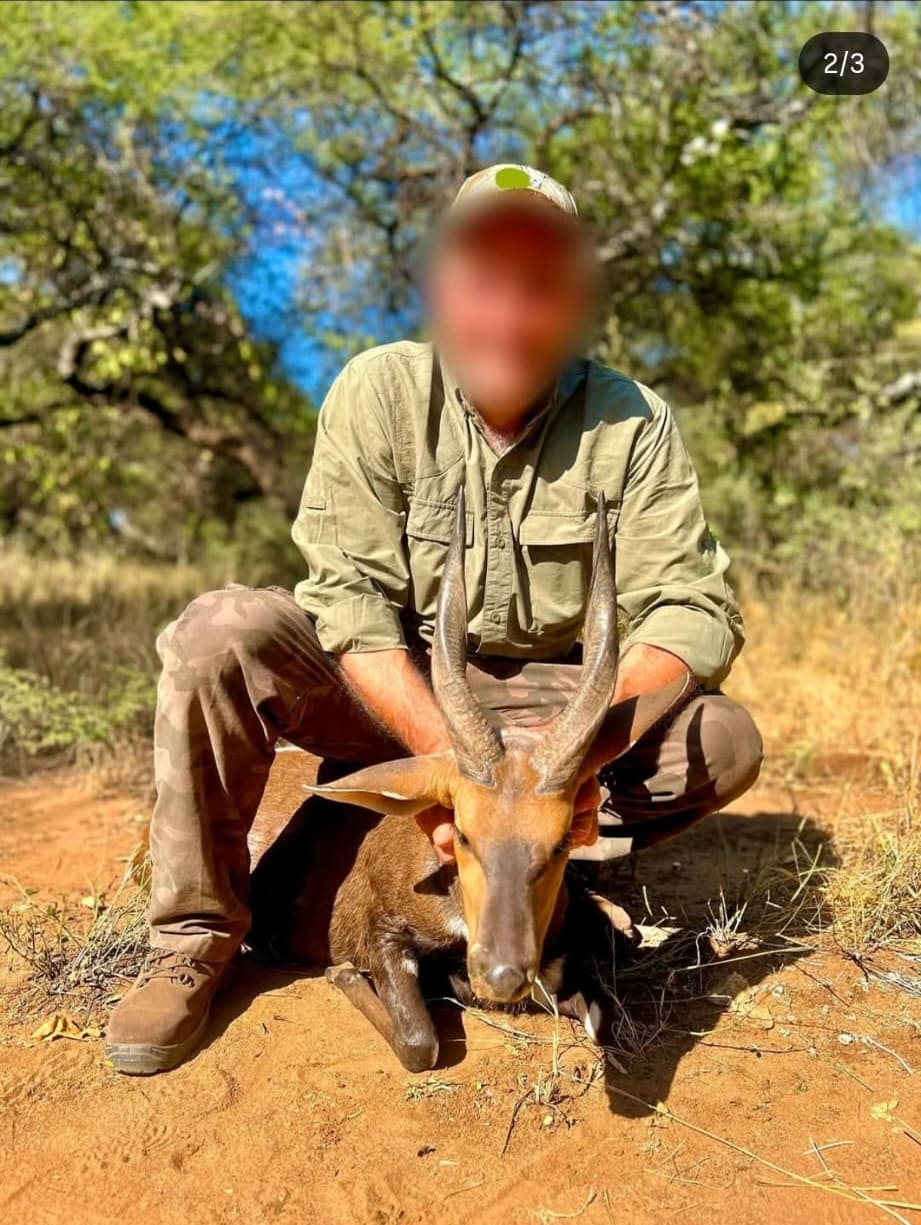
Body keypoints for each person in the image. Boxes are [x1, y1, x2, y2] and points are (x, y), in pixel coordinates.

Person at [105, 164, 762, 1074]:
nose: (506, 309)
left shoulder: (631, 421)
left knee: (720, 739)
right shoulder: (377, 393)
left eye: (537, 284)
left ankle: (541, 872)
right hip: (400, 689)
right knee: (220, 634)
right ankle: (193, 940)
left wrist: (563, 759)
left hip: (556, 700)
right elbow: (348, 607)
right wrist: (459, 768)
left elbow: (691, 609)